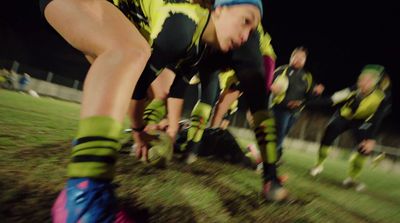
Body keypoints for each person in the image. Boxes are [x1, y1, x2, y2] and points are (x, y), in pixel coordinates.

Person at [39, 0, 263, 221]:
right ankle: (83, 199)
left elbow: (174, 90)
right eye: (245, 21)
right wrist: (138, 131)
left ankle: (84, 181)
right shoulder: (186, 22)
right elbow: (138, 88)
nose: (245, 36)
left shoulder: (196, 46)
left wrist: (172, 130)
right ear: (220, 9)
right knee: (130, 52)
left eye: (251, 31)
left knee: (133, 70)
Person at [309, 64, 392, 191]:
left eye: (369, 79)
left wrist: (371, 138)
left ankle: (351, 179)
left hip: (361, 121)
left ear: (375, 82)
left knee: (364, 148)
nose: (364, 82)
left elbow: (377, 118)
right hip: (343, 116)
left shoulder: (382, 97)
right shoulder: (352, 89)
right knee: (329, 133)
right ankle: (319, 165)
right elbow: (331, 100)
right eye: (362, 78)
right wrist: (306, 103)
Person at [270, 47, 324, 161]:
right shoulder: (281, 70)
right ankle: (270, 160)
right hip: (280, 109)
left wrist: (316, 92)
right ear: (291, 57)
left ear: (305, 60)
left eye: (302, 58)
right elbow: (269, 84)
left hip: (295, 112)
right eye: (296, 57)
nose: (299, 59)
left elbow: (310, 96)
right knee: (279, 134)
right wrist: (272, 87)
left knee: (282, 134)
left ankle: (276, 155)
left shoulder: (307, 77)